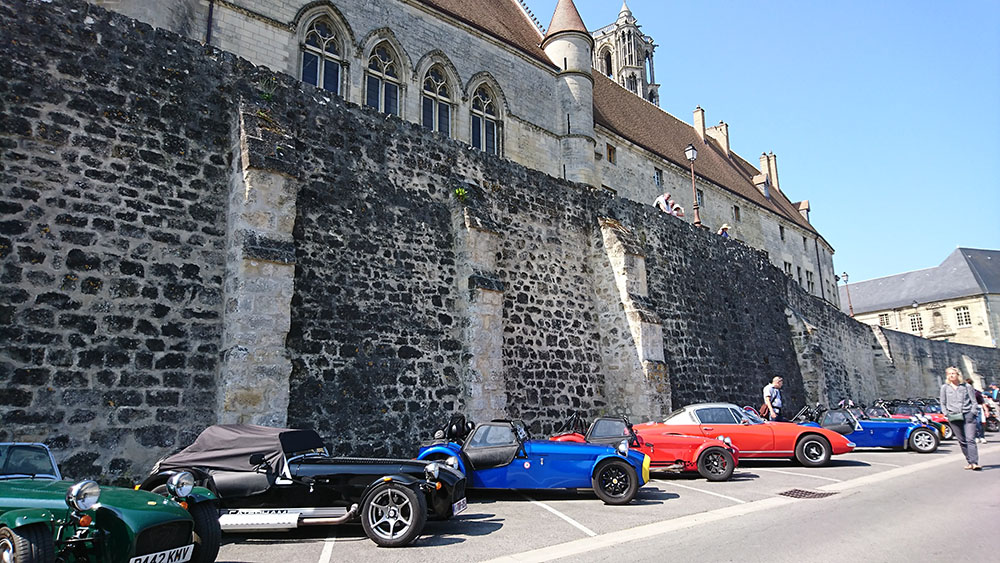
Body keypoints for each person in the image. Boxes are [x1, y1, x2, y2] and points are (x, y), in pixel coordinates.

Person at [940, 367, 980, 470]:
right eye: (949, 374)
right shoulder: (945, 387)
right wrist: (946, 413)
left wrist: (973, 412)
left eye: (953, 373)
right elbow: (943, 402)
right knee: (962, 440)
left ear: (958, 375)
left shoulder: (967, 386)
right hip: (953, 415)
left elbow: (974, 401)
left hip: (967, 414)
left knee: (970, 439)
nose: (951, 375)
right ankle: (969, 461)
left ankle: (974, 462)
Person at [967, 378, 988, 444]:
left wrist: (986, 410)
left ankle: (982, 437)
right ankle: (976, 437)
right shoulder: (964, 393)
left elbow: (982, 402)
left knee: (979, 423)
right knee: (972, 424)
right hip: (968, 408)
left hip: (977, 408)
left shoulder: (976, 392)